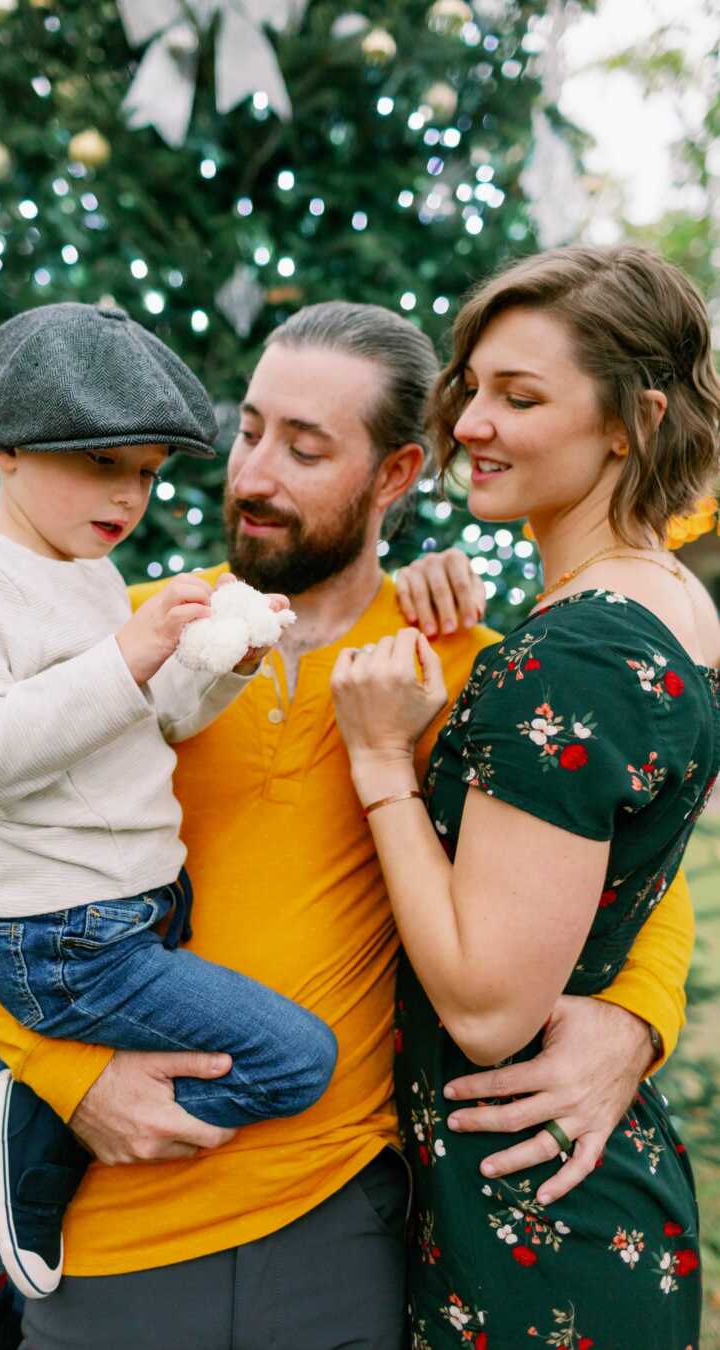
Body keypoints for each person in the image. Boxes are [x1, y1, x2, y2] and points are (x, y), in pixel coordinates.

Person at [0, 300, 697, 1350]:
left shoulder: (458, 663)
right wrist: (70, 1083)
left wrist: (635, 1022)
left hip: (342, 1223)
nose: (253, 476)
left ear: (396, 474)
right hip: (115, 1224)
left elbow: (633, 862)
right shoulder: (138, 630)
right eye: (249, 431)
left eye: (305, 447)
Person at [0, 301, 338, 1349]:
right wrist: (127, 655)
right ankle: (35, 1142)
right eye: (101, 462)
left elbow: (142, 727)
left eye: (144, 472)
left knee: (232, 1060)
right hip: (64, 935)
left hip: (130, 915)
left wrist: (216, 664)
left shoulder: (88, 574)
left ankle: (0, 1213)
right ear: (4, 450)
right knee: (297, 1060)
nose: (128, 496)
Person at [331, 248, 719, 1348]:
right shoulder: (667, 603)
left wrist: (379, 764)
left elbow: (489, 1008)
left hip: (534, 1233)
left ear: (630, 423)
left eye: (521, 396)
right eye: (471, 386)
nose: (471, 424)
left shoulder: (574, 654)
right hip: (561, 1197)